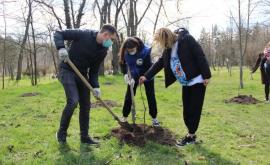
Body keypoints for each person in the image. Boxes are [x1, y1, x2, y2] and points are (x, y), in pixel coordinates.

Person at [139, 28, 211, 146]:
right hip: (185, 83)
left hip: (197, 80)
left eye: (162, 42)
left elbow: (200, 55)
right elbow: (160, 63)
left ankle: (191, 136)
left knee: (194, 109)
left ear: (166, 38)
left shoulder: (186, 40)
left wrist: (206, 75)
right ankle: (190, 134)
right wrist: (146, 76)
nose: (162, 46)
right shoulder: (168, 48)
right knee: (186, 111)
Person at [54, 24, 118, 144]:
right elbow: (59, 33)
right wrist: (61, 47)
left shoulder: (103, 51)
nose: (112, 43)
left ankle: (84, 137)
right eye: (112, 39)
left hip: (82, 74)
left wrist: (96, 86)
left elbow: (93, 70)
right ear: (105, 35)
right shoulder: (83, 34)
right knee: (73, 101)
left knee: (86, 105)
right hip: (67, 70)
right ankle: (61, 134)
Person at [119, 37, 160, 126]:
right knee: (129, 95)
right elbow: (123, 64)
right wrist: (125, 74)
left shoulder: (146, 51)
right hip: (132, 77)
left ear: (137, 46)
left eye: (133, 50)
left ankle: (154, 118)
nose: (131, 52)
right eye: (129, 50)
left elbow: (149, 67)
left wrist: (142, 76)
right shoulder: (125, 52)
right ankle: (124, 116)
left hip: (147, 75)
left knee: (150, 95)